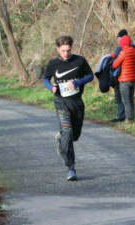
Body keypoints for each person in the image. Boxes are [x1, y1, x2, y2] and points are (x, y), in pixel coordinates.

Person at [43, 35, 93, 181]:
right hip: (61, 102)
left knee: (74, 136)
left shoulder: (80, 61)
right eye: (63, 50)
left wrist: (78, 82)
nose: (66, 54)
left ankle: (61, 139)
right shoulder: (53, 64)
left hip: (77, 102)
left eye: (68, 50)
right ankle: (71, 168)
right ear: (58, 49)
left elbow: (90, 76)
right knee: (67, 132)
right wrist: (49, 87)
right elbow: (45, 78)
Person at [112, 35, 135, 122]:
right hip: (133, 79)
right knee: (131, 99)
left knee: (125, 100)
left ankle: (128, 119)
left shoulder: (123, 52)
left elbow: (115, 65)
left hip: (124, 80)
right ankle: (132, 117)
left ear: (123, 44)